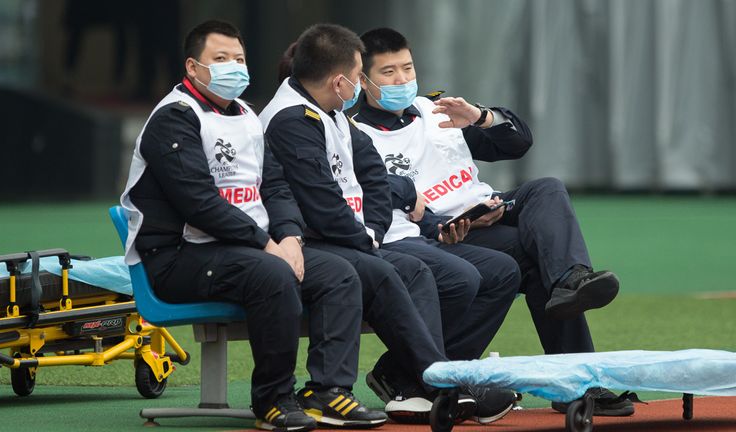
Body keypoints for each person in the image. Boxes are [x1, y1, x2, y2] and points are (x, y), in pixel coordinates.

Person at [119, 20, 387, 431]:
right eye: (220, 59)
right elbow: (200, 203)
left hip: (246, 248)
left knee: (338, 273)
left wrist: (292, 238)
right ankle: (273, 401)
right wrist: (267, 245)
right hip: (178, 258)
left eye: (239, 59)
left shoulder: (246, 115)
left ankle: (329, 391)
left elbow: (276, 186)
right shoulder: (173, 119)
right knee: (272, 274)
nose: (233, 67)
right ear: (193, 67)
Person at [353, 27, 633, 417]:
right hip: (438, 236)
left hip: (487, 210)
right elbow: (379, 206)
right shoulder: (354, 132)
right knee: (534, 265)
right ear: (362, 79)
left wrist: (481, 117)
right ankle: (576, 383)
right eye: (388, 73)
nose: (402, 79)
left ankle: (573, 281)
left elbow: (518, 144)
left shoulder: (436, 110)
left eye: (407, 67)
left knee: (547, 189)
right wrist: (438, 224)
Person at [260, 23, 515, 425]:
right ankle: (435, 385)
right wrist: (365, 239)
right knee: (395, 271)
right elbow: (320, 202)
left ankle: (427, 382)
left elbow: (375, 177)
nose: (362, 84)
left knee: (443, 271)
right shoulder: (291, 119)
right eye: (361, 74)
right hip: (312, 241)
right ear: (340, 80)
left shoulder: (331, 113)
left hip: (352, 237)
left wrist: (372, 232)